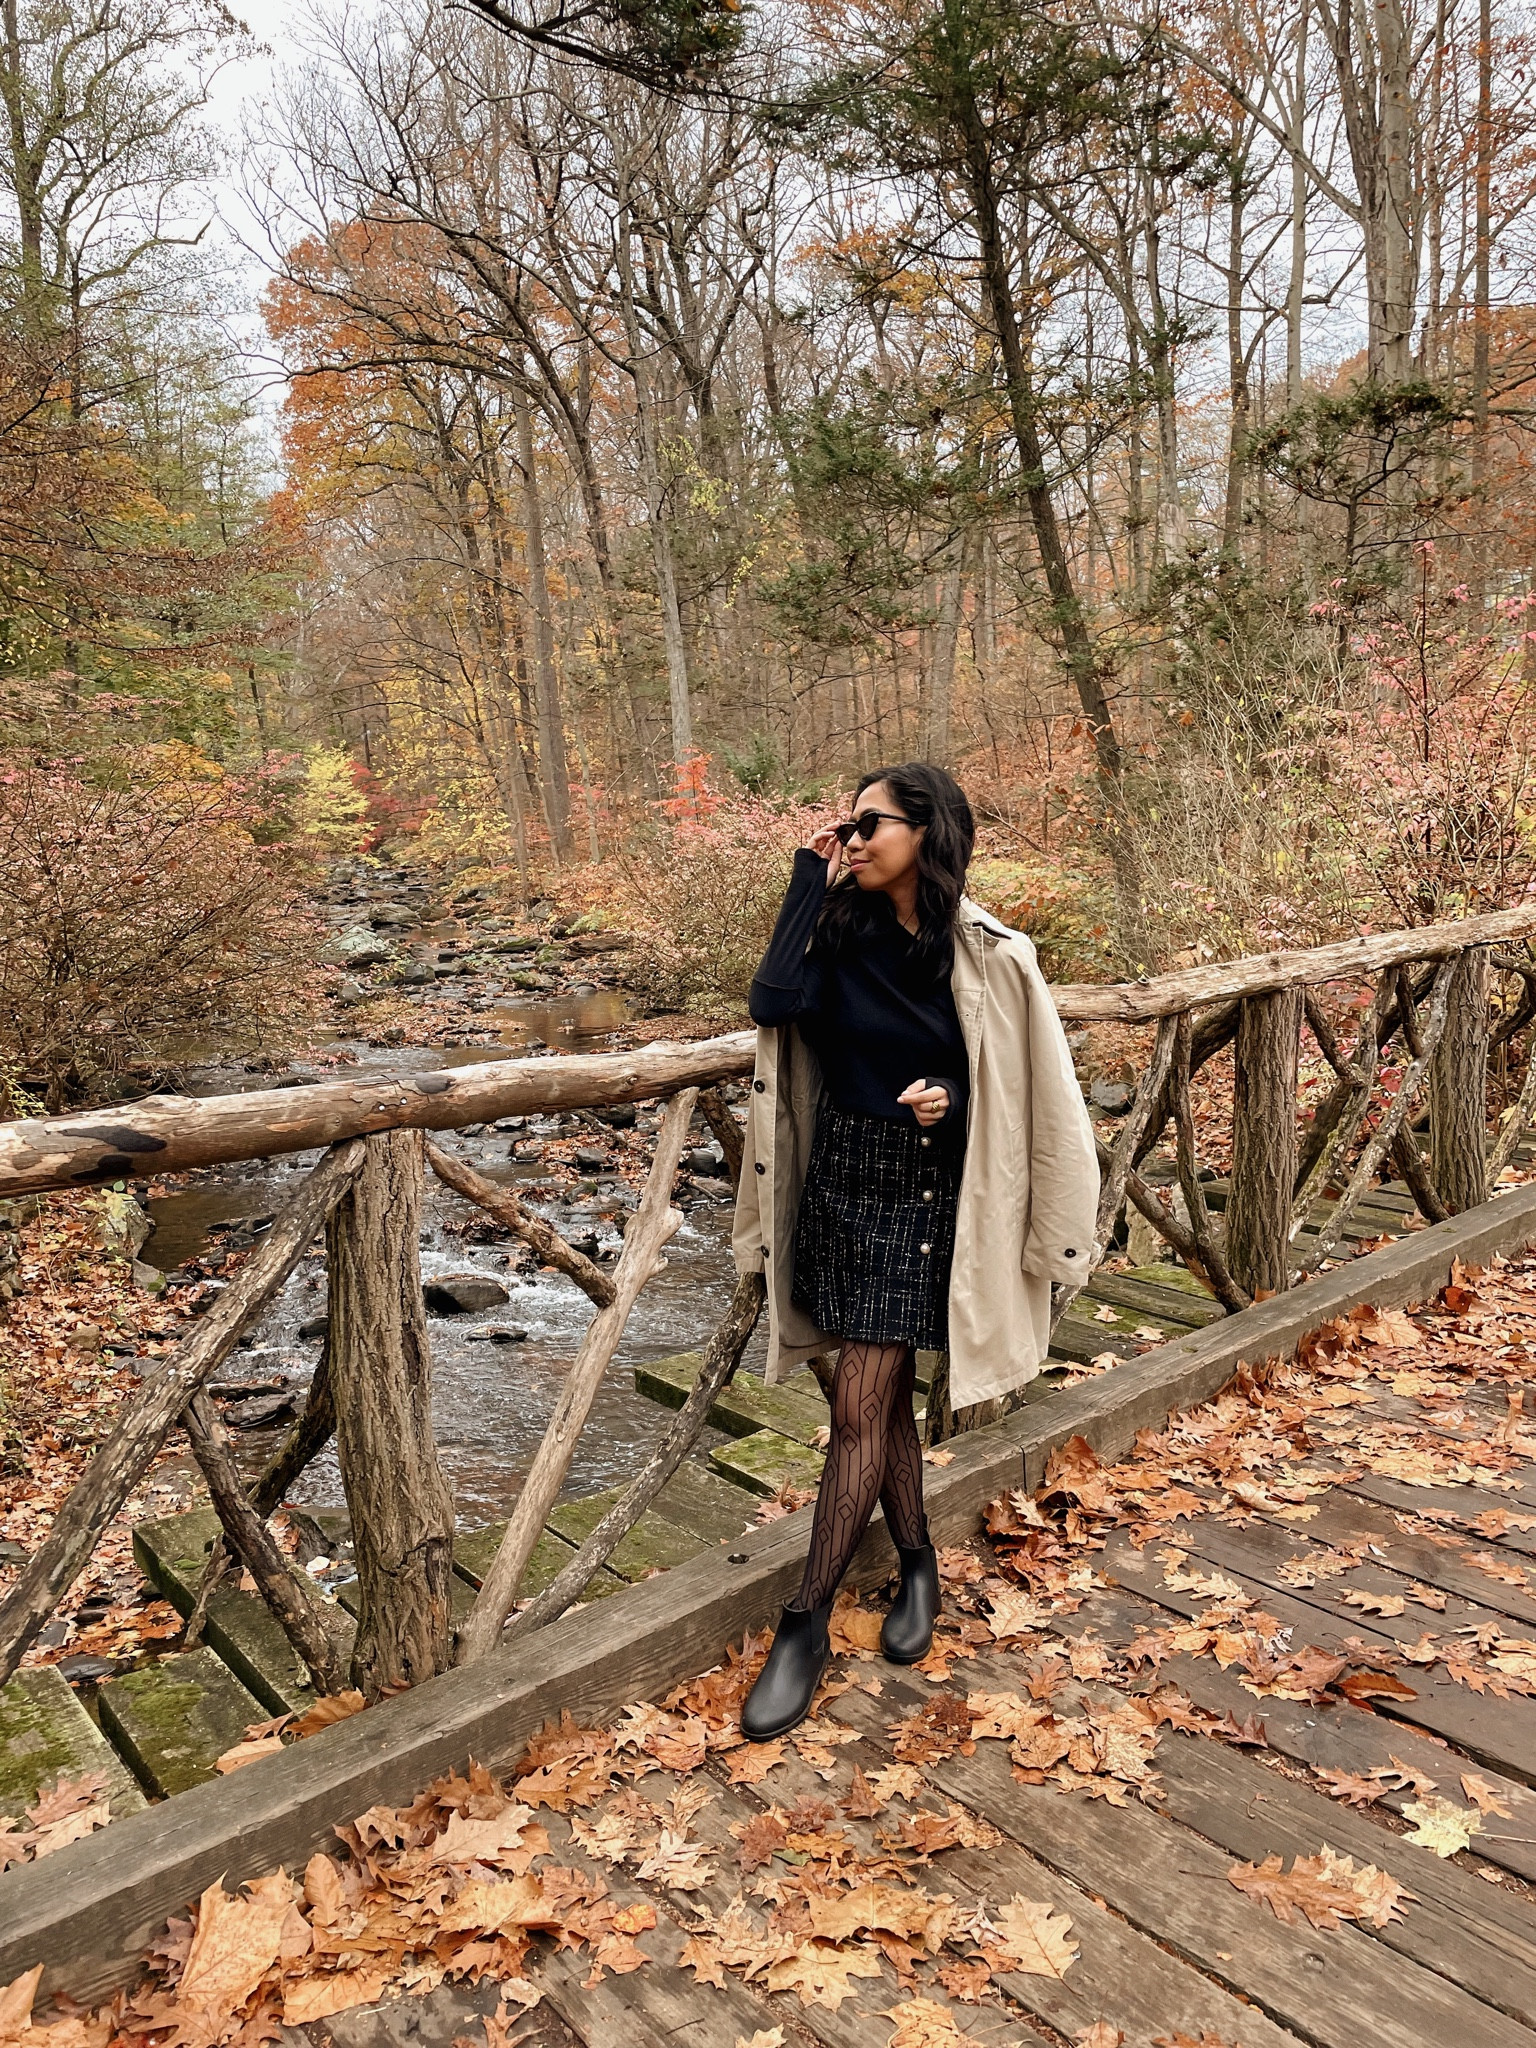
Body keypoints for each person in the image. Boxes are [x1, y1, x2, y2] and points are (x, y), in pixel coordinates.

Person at [732, 761, 1098, 1739]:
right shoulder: (835, 929)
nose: (852, 838)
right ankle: (920, 1561)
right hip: (840, 1180)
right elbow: (771, 1001)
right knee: (882, 1396)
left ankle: (805, 1622)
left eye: (870, 824)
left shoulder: (988, 953)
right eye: (845, 825)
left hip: (929, 1192)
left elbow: (1019, 1086)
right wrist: (806, 876)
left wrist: (952, 1096)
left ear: (926, 832)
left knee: (860, 1402)